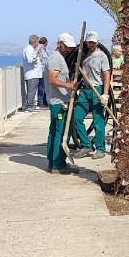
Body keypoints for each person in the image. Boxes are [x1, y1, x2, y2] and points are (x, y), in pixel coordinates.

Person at [71, 31, 112, 160]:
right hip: (84, 90)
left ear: (97, 42)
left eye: (93, 42)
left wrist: (105, 94)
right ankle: (86, 145)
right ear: (86, 42)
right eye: (89, 42)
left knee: (98, 122)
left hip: (97, 90)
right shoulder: (82, 56)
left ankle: (100, 148)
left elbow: (106, 75)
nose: (91, 44)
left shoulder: (102, 56)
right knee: (77, 118)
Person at [44, 33, 81, 174]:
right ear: (59, 43)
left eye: (70, 47)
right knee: (61, 133)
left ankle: (51, 163)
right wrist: (69, 86)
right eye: (66, 46)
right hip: (59, 102)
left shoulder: (59, 58)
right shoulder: (55, 59)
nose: (68, 50)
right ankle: (58, 164)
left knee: (54, 132)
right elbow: (52, 80)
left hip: (57, 101)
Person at [22, 35, 44, 112]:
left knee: (33, 90)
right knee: (31, 90)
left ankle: (31, 105)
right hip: (32, 74)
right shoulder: (28, 49)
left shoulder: (32, 49)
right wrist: (37, 54)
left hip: (34, 74)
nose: (38, 44)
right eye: (37, 42)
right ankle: (29, 106)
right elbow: (30, 60)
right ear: (34, 42)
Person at [35, 37, 50, 108]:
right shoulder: (40, 49)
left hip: (43, 70)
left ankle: (44, 101)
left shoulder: (40, 48)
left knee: (44, 86)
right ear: (46, 43)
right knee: (42, 86)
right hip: (42, 70)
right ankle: (40, 101)